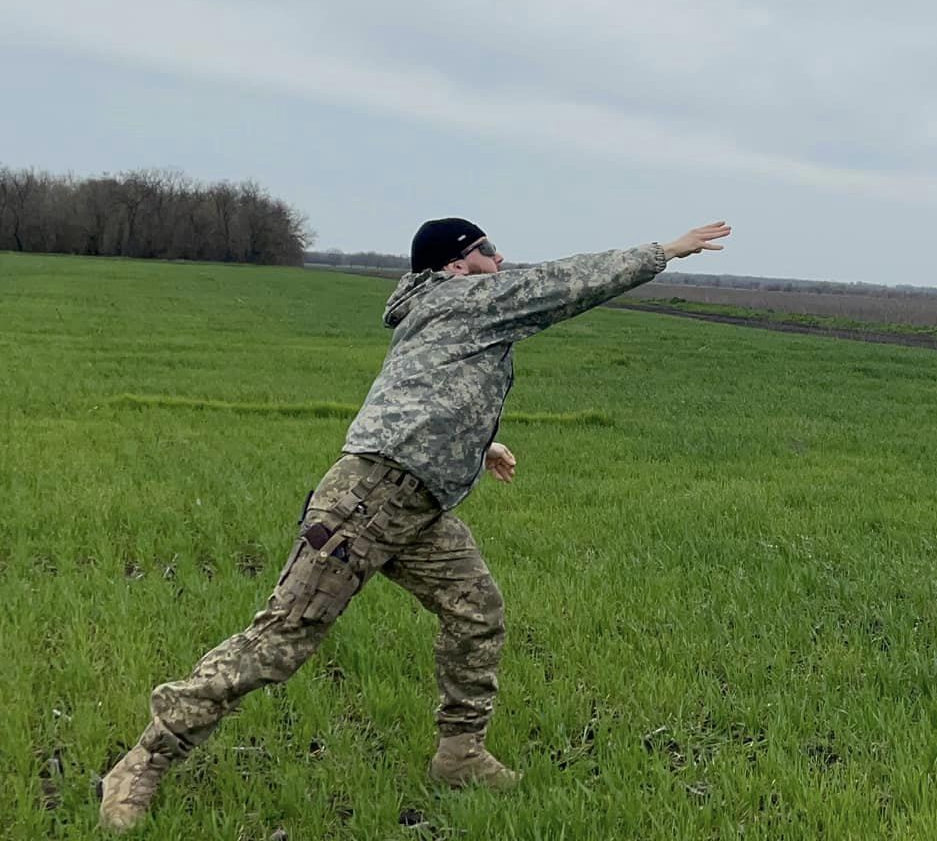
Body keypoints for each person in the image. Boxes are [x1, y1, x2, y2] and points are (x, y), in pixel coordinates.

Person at [98, 217, 732, 831]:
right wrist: (664, 250)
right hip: (366, 503)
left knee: (476, 610)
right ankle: (140, 766)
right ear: (457, 266)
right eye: (489, 251)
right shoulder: (463, 299)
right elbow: (566, 283)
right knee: (279, 643)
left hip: (418, 504)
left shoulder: (438, 311)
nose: (501, 261)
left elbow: (421, 392)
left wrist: (481, 445)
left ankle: (459, 756)